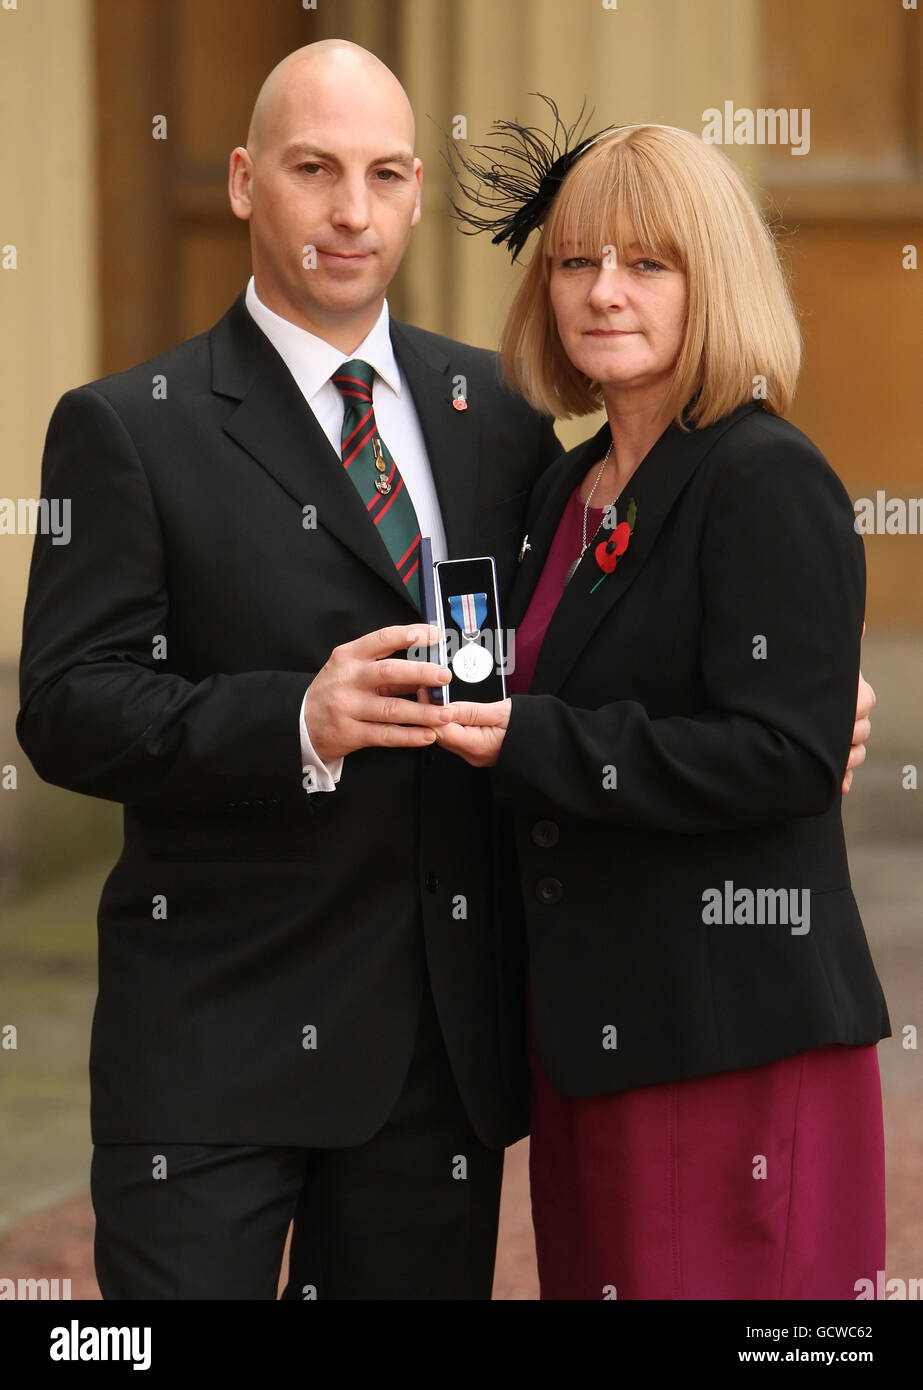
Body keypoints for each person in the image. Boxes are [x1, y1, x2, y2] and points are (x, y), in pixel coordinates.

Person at [16, 40, 561, 1300]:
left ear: (420, 189)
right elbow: (66, 705)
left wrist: (770, 699)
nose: (351, 212)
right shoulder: (127, 427)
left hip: (433, 1054)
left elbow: (580, 629)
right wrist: (298, 722)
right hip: (212, 1042)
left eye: (380, 173)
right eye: (314, 170)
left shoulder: (503, 412)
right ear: (246, 180)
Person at [438, 120, 888, 1299]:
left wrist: (531, 739)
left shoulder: (761, 476)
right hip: (590, 1035)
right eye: (576, 260)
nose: (601, 292)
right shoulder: (562, 484)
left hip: (725, 1039)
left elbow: (783, 754)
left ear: (714, 278)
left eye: (646, 263)